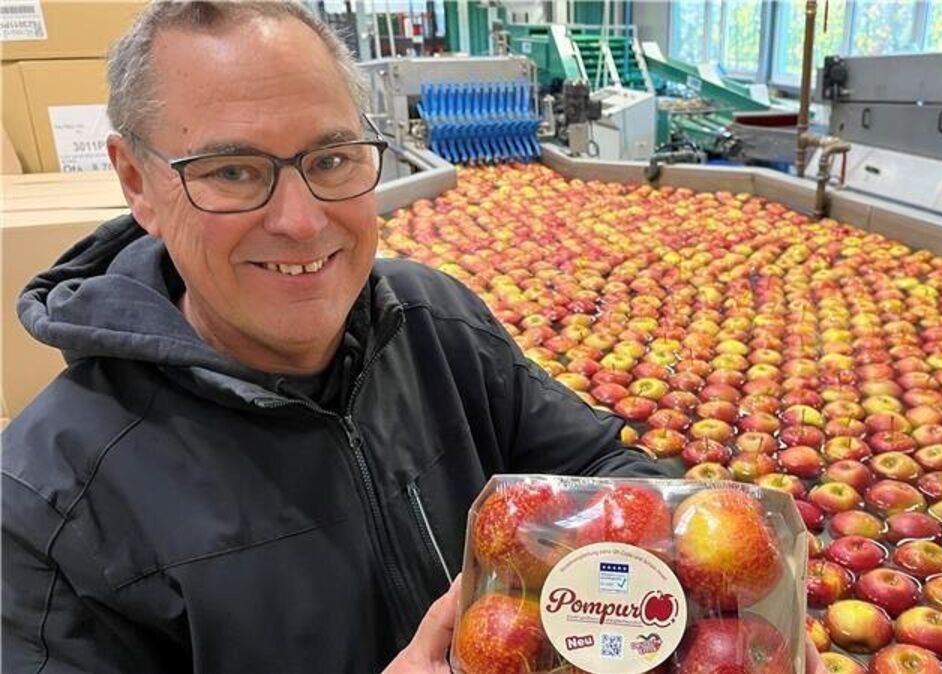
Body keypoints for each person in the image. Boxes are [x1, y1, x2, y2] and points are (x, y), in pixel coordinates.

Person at [1, 2, 667, 672]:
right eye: (233, 172)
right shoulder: (50, 504)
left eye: (331, 159)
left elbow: (613, 475)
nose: (300, 220)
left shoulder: (437, 325)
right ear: (138, 184)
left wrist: (605, 589)